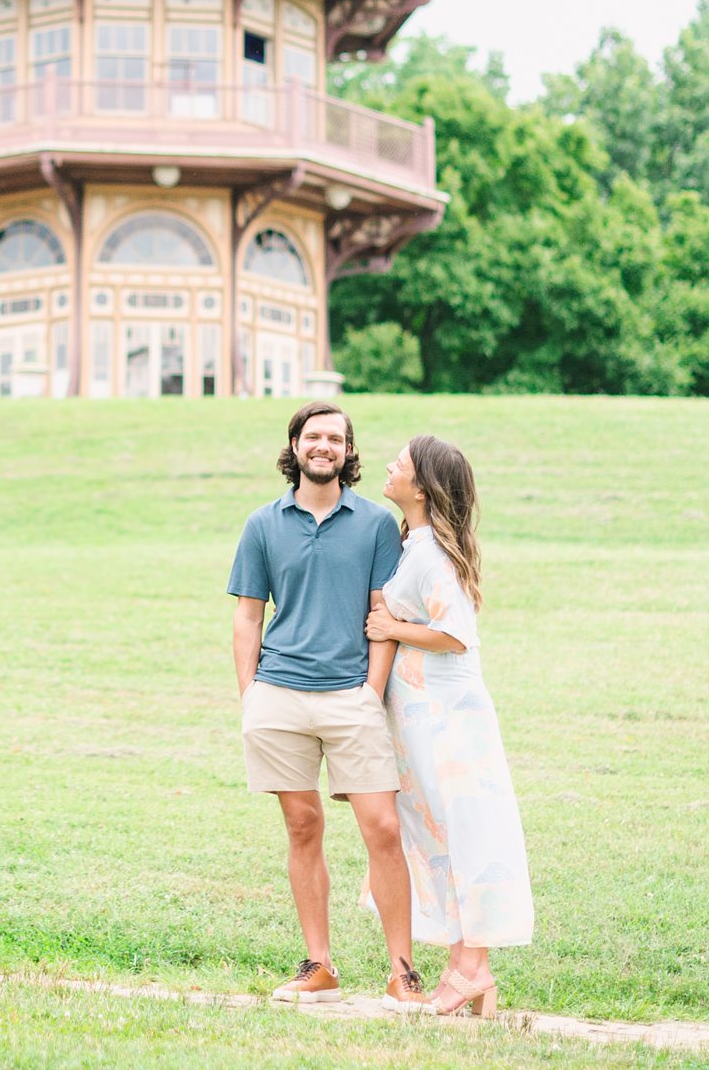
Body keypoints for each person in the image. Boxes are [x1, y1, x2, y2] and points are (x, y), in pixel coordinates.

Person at [228, 401, 427, 1011]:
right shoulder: (263, 524)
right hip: (278, 694)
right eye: (313, 436)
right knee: (302, 826)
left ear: (347, 451)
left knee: (384, 831)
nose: (324, 446)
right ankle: (320, 966)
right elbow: (247, 616)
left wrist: (370, 691)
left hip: (351, 698)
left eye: (335, 439)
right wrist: (251, 696)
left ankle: (402, 972)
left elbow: (383, 618)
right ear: (295, 444)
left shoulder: (372, 524)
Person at [364, 434, 533, 1017]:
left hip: (448, 721)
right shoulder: (416, 544)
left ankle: (473, 967)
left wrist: (391, 627)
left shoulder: (434, 552)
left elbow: (456, 635)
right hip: (421, 718)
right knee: (439, 838)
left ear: (422, 486)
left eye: (400, 463)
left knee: (464, 835)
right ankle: (469, 970)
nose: (388, 466)